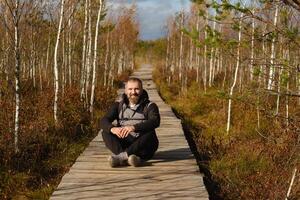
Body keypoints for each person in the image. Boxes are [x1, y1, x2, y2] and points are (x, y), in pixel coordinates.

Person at [100, 77, 160, 167]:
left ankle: (121, 158)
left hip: (143, 145)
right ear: (125, 91)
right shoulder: (118, 106)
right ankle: (132, 159)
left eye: (136, 89)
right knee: (105, 132)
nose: (133, 92)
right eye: (130, 89)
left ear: (142, 90)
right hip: (125, 142)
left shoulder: (150, 106)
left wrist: (133, 127)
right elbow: (103, 120)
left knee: (150, 132)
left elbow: (155, 121)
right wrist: (113, 129)